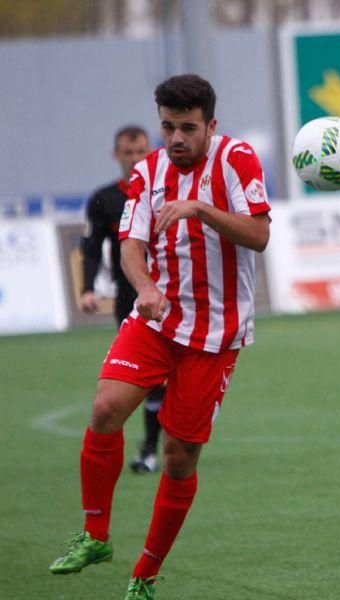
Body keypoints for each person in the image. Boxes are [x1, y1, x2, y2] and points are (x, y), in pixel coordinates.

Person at [49, 74, 271, 600]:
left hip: (215, 335)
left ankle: (145, 575)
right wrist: (145, 288)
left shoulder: (236, 160)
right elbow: (130, 246)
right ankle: (95, 535)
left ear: (210, 127)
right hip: (156, 320)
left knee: (178, 457)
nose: (175, 138)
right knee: (105, 409)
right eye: (168, 126)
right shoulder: (147, 173)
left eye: (188, 128)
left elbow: (260, 235)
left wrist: (199, 209)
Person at [81, 125, 165, 474]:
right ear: (116, 155)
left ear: (150, 152)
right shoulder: (104, 198)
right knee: (146, 381)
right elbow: (92, 248)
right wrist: (88, 288)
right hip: (128, 301)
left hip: (169, 298)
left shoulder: (164, 192)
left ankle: (150, 450)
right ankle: (151, 448)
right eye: (128, 153)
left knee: (163, 381)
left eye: (141, 152)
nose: (134, 159)